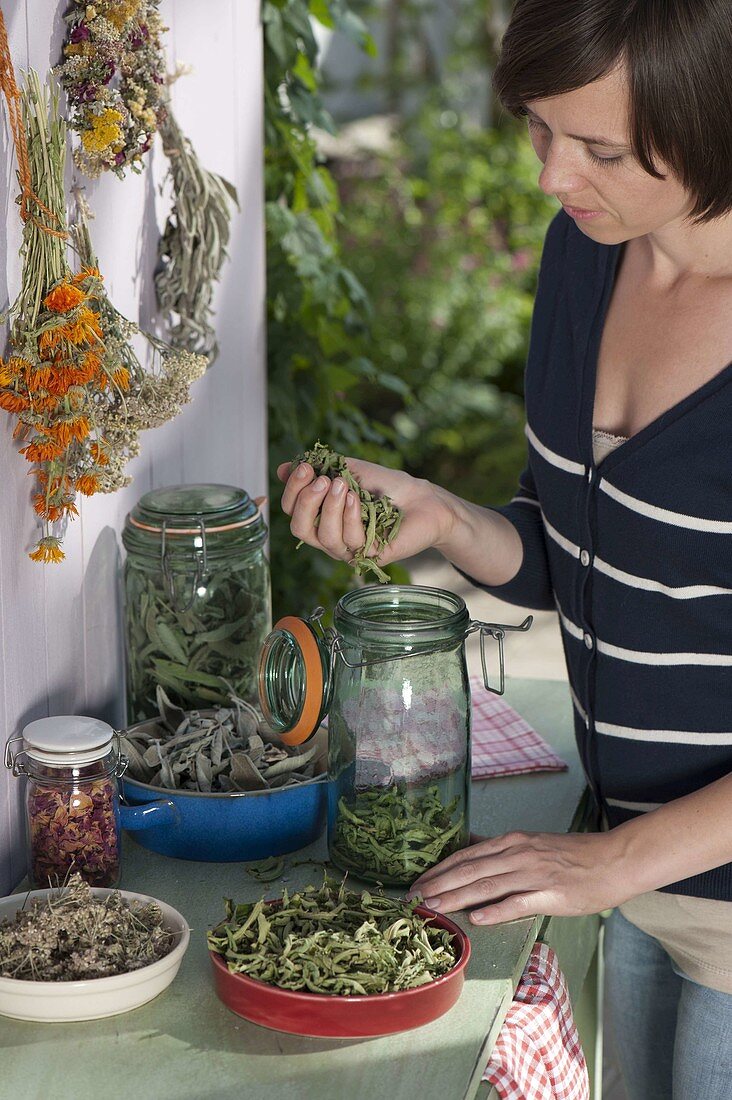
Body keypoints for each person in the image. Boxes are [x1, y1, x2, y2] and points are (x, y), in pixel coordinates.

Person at [278, 2, 732, 1096]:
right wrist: (443, 516)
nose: (549, 177)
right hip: (630, 876)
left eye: (599, 149)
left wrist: (607, 863)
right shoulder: (588, 255)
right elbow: (584, 551)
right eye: (537, 130)